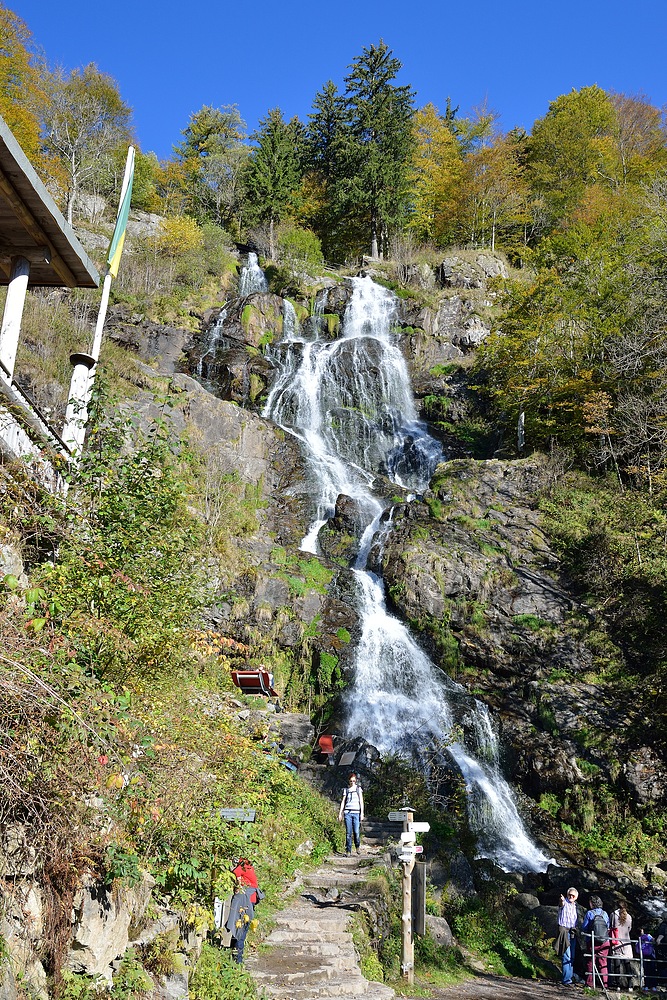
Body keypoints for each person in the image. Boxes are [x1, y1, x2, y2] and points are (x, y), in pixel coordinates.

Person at [582, 894, 611, 989]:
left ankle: (589, 984)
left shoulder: (590, 913)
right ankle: (605, 985)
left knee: (591, 962)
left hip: (593, 941)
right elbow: (608, 926)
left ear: (592, 903)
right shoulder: (605, 914)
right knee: (603, 962)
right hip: (604, 941)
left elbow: (584, 927)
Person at [224, 879, 254, 964]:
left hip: (245, 904)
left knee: (240, 934)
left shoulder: (244, 869)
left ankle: (237, 959)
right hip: (244, 904)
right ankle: (237, 959)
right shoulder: (242, 870)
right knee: (239, 933)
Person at [557, 887, 583, 985]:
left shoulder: (576, 906)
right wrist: (562, 900)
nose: (571, 896)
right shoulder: (565, 903)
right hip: (564, 931)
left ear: (576, 897)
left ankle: (569, 977)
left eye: (573, 895)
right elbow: (561, 904)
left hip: (573, 932)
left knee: (572, 956)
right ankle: (566, 980)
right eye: (569, 895)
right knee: (566, 955)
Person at [610, 902, 637, 992]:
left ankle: (618, 985)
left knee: (617, 964)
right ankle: (630, 985)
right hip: (626, 942)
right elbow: (629, 929)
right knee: (627, 964)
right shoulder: (629, 917)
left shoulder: (613, 915)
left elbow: (610, 926)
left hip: (616, 942)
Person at [338, 772, 364, 855]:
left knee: (356, 832)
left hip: (356, 813)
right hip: (347, 813)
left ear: (356, 781)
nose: (352, 782)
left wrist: (362, 813)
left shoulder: (358, 789)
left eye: (353, 781)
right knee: (348, 833)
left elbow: (361, 801)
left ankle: (357, 846)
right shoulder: (346, 790)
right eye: (351, 781)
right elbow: (343, 802)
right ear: (348, 781)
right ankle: (348, 850)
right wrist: (340, 813)